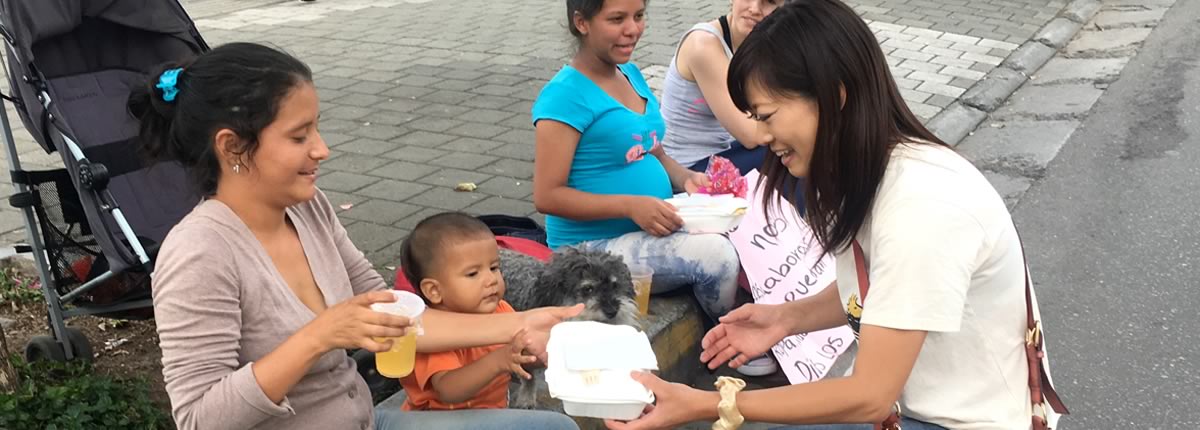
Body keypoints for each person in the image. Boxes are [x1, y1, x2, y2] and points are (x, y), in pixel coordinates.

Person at [604, 1, 1062, 429]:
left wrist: (710, 403)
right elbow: (880, 285)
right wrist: (786, 318)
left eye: (766, 115)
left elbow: (869, 396)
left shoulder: (923, 206)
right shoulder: (878, 166)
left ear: (834, 96)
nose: (759, 137)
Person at [133, 42, 580, 430]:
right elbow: (199, 419)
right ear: (232, 147)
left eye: (316, 127)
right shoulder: (199, 254)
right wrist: (318, 336)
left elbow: (396, 316)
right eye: (298, 136)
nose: (321, 148)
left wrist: (521, 321)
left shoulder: (308, 208)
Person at [531, 0, 774, 377]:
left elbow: (652, 147)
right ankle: (729, 338)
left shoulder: (627, 73)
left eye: (639, 16)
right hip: (594, 250)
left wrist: (686, 179)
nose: (633, 29)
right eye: (617, 19)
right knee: (718, 255)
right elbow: (547, 195)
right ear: (581, 22)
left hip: (650, 224)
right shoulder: (563, 96)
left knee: (755, 219)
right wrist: (630, 206)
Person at [395, 212, 536, 412]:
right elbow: (448, 391)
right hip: (438, 421)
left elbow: (522, 353)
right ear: (434, 291)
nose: (491, 280)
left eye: (494, 267)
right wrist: (499, 361)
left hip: (492, 413)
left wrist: (539, 353)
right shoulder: (436, 335)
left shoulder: (501, 310)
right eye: (473, 273)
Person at [660, 0, 784, 175]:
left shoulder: (763, 44)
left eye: (769, 1)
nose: (755, 8)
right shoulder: (703, 45)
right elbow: (752, 135)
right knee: (788, 150)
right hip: (686, 170)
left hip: (723, 153)